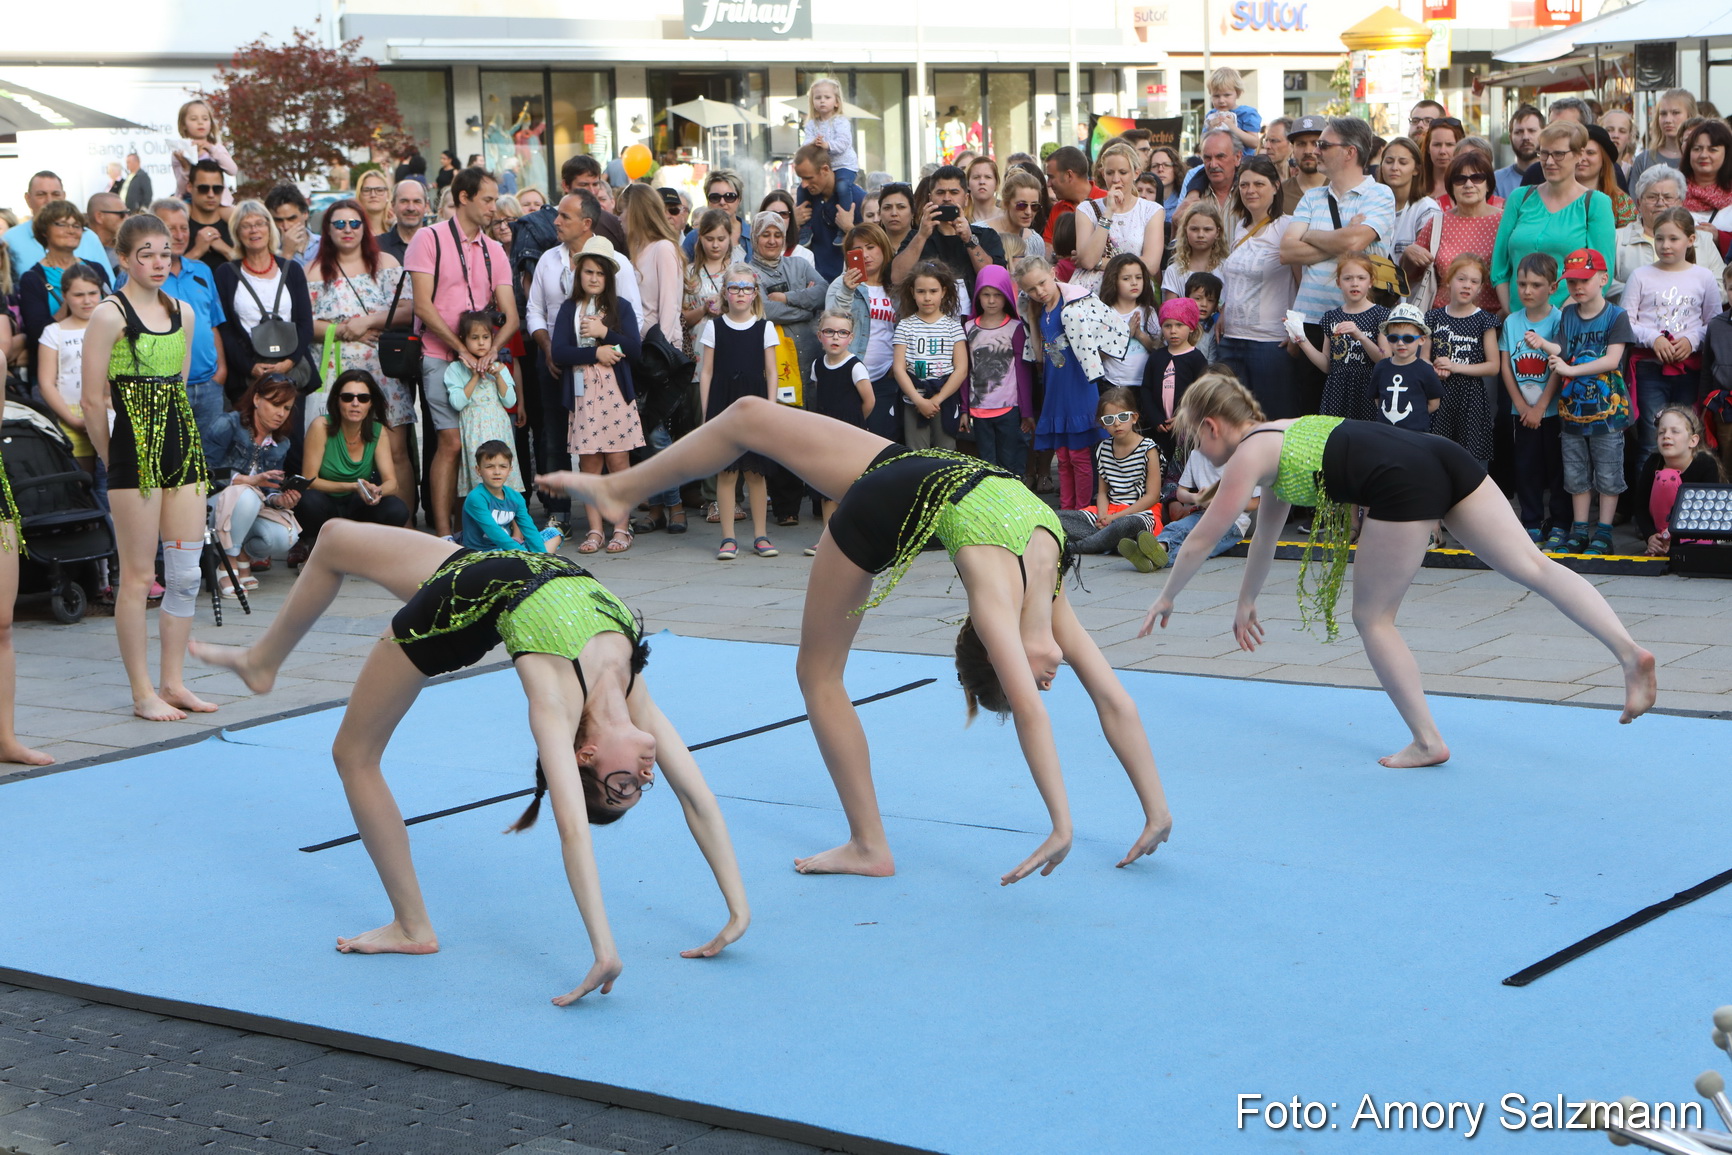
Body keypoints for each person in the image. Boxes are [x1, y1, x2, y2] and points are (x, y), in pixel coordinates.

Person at [541, 395, 1173, 881]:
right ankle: (619, 488)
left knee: (817, 675)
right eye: (1032, 680)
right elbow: (1109, 702)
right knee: (747, 414)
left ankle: (869, 844)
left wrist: (1070, 822)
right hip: (911, 475)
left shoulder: (1000, 606)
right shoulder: (1045, 583)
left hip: (890, 503)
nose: (1044, 681)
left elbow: (1044, 712)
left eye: (1024, 680)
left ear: (996, 649)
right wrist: (1150, 811)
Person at [191, 520, 749, 1000]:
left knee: (353, 754)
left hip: (455, 611)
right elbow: (697, 798)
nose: (647, 777)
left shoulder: (556, 706)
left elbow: (573, 831)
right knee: (333, 538)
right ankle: (262, 662)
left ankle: (411, 926)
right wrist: (737, 911)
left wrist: (604, 950)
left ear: (589, 754)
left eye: (624, 785)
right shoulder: (633, 694)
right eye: (639, 787)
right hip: (498, 569)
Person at [1138, 374, 1656, 767]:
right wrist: (1246, 599)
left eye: (1195, 440)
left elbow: (1202, 536)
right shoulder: (1281, 437)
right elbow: (1267, 535)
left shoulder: (1250, 453)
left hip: (1402, 481)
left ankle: (1428, 740)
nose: (1200, 453)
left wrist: (1167, 596)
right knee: (1534, 566)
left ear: (1210, 425)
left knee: (1373, 618)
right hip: (1440, 456)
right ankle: (1629, 653)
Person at [81, 213, 215, 723]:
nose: (159, 262)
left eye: (165, 252)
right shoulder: (108, 315)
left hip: (181, 445)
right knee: (138, 576)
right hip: (133, 447)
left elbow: (178, 385)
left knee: (183, 573)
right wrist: (112, 456)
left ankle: (173, 682)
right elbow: (92, 401)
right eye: (147, 254)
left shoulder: (183, 312)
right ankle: (142, 692)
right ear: (124, 259)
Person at [405, 167, 519, 540]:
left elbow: (512, 316)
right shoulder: (429, 238)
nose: (493, 207)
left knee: (478, 444)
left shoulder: (495, 250)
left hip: (482, 359)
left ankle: (474, 528)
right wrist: (460, 351)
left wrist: (491, 353)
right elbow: (422, 306)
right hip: (439, 353)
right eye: (487, 199)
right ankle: (442, 535)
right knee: (450, 442)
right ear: (464, 198)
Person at [1281, 115, 1397, 412]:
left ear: (1350, 151)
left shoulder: (1380, 193)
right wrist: (1344, 238)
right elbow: (1287, 251)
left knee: (1360, 419)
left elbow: (1354, 243)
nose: (1315, 151)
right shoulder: (1311, 197)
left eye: (1323, 144)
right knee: (1309, 418)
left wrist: (1310, 234)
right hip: (1312, 324)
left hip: (1364, 322)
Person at [306, 198, 414, 514]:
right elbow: (302, 322)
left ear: (365, 227)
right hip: (333, 371)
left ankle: (404, 531)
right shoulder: (310, 271)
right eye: (339, 224)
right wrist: (344, 330)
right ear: (327, 230)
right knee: (332, 452)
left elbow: (408, 310)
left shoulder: (388, 263)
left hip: (382, 370)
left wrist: (368, 321)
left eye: (354, 223)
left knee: (396, 452)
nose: (348, 229)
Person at [1531, 249, 1634, 557]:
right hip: (1573, 413)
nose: (1577, 287)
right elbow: (1562, 350)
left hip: (1609, 413)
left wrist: (1571, 370)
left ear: (1603, 279)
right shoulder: (1568, 315)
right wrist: (1543, 344)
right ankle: (1579, 530)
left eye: (1584, 280)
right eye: (1572, 281)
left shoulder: (1617, 315)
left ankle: (1603, 532)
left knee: (1608, 471)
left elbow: (1612, 360)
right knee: (1575, 472)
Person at [551, 249, 644, 557]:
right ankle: (594, 529)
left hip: (616, 394)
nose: (593, 278)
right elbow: (559, 353)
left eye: (600, 273)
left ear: (609, 278)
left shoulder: (622, 308)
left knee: (618, 461)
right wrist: (595, 353)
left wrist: (605, 334)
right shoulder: (569, 309)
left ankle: (620, 526)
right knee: (589, 463)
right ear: (579, 275)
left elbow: (634, 349)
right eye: (588, 272)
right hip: (583, 394)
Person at [1019, 257, 1125, 510]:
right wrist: (1032, 319)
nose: (1039, 292)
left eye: (1042, 283)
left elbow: (1107, 331)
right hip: (1056, 387)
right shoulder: (1040, 311)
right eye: (1031, 289)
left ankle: (1082, 511)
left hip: (1078, 385)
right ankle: (1067, 510)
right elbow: (1043, 353)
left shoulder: (1075, 304)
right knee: (1064, 456)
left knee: (1078, 456)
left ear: (1053, 273)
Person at [695, 263, 778, 560]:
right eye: (734, 288)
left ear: (755, 293)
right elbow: (706, 372)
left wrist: (771, 409)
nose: (741, 293)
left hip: (755, 406)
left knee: (756, 473)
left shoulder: (764, 327)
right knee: (727, 473)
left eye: (746, 288)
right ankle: (728, 537)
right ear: (725, 293)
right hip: (724, 404)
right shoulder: (713, 327)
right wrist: (707, 413)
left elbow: (771, 371)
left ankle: (760, 536)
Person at [1622, 208, 1719, 459]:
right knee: (1651, 439)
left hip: (1691, 370)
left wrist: (1692, 339)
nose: (1665, 245)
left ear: (1691, 239)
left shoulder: (1704, 277)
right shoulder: (1641, 276)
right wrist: (1653, 338)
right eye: (1659, 238)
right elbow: (1625, 321)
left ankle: (1683, 494)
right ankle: (1650, 496)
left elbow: (1715, 323)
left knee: (1687, 437)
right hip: (1649, 370)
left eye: (1673, 239)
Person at [214, 200, 317, 432]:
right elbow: (225, 329)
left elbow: (305, 325)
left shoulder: (291, 270)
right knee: (249, 441)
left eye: (260, 224)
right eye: (246, 225)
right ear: (237, 232)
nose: (254, 230)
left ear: (269, 228)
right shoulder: (225, 273)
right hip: (248, 376)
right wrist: (250, 367)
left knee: (293, 445)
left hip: (290, 372)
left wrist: (288, 363)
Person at [1491, 122, 1616, 312]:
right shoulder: (1519, 198)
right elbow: (1500, 264)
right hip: (1518, 321)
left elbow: (1601, 271)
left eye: (1558, 154)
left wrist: (1560, 318)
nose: (1549, 161)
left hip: (1569, 321)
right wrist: (1511, 311)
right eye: (1543, 153)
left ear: (1579, 155)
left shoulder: (1596, 203)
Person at [204, 375, 301, 594]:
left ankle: (242, 553)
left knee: (286, 536)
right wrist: (247, 480)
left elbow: (266, 491)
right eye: (275, 404)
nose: (281, 414)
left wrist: (280, 499)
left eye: (287, 408)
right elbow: (203, 471)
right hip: (211, 505)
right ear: (257, 399)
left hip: (248, 509)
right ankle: (227, 563)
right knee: (245, 494)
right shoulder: (228, 423)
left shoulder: (281, 443)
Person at [146, 199, 231, 446]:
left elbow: (212, 323)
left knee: (210, 463)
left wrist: (221, 372)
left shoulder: (202, 270)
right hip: (165, 388)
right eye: (171, 229)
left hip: (209, 386)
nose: (180, 235)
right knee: (169, 461)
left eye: (184, 228)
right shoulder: (140, 275)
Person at [1501, 253, 1571, 547]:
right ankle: (1530, 521)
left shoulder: (1560, 320)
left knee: (1558, 468)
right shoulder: (1512, 322)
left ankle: (1560, 522)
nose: (1527, 291)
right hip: (1523, 411)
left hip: (1552, 410)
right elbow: (1506, 365)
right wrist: (1520, 405)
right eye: (1522, 284)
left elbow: (1558, 363)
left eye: (1536, 284)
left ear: (1553, 287)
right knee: (1526, 467)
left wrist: (1542, 406)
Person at [1217, 157, 1295, 420]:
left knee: (1269, 418)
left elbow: (1302, 278)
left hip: (1269, 342)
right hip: (1232, 339)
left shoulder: (1287, 226)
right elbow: (1235, 277)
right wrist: (1224, 310)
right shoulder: (1240, 226)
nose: (1250, 190)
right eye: (1244, 184)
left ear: (1275, 186)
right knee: (1234, 419)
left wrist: (1297, 328)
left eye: (1259, 184)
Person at [296, 370, 411, 545]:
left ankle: (363, 547)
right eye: (348, 397)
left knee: (397, 509)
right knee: (308, 501)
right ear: (337, 400)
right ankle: (314, 546)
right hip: (326, 502)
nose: (355, 403)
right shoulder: (321, 426)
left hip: (359, 503)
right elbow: (309, 480)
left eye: (363, 398)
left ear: (371, 403)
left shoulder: (377, 431)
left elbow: (391, 483)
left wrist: (376, 492)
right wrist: (353, 486)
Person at [1054, 388, 1162, 563]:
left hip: (1140, 513)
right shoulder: (1103, 448)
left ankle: (1078, 547)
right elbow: (1103, 492)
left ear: (1134, 417)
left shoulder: (1148, 448)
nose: (1117, 424)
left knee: (1127, 525)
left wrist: (1114, 518)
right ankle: (1111, 542)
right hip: (1109, 510)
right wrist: (1103, 515)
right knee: (1057, 517)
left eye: (1123, 417)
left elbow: (1152, 496)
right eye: (1109, 420)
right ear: (1102, 424)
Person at [824, 222, 901, 440]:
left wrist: (897, 366)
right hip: (849, 377)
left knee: (881, 440)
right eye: (858, 250)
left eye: (871, 247)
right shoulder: (840, 284)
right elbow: (832, 328)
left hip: (885, 377)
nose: (865, 255)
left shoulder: (896, 286)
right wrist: (847, 291)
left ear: (883, 249)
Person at [890, 165, 1004, 308]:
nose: (947, 198)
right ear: (930, 198)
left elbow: (994, 279)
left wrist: (969, 239)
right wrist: (922, 235)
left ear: (966, 198)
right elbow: (897, 278)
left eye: (954, 192)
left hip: (974, 324)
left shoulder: (986, 236)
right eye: (940, 192)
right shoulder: (916, 237)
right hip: (927, 324)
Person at [1424, 253, 1500, 464]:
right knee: (1437, 453)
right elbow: (1423, 359)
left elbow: (1493, 366)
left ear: (1481, 287)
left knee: (1472, 458)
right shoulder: (1433, 317)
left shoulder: (1485, 320)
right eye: (1461, 279)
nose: (1467, 285)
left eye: (1474, 281)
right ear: (1448, 281)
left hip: (1471, 397)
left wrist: (1455, 367)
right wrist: (1434, 369)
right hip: (1438, 395)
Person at [1295, 253, 1388, 422]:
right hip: (1337, 392)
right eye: (1348, 278)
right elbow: (1328, 366)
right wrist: (1302, 340)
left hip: (1368, 390)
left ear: (1371, 281)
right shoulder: (1331, 317)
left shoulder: (1381, 315)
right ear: (1338, 283)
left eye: (1361, 278)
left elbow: (1384, 358)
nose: (1355, 283)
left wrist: (1360, 336)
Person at [1407, 150, 1503, 314]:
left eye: (1477, 178)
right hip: (1443, 322)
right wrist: (1409, 253)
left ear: (1488, 184)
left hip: (1494, 322)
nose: (1468, 184)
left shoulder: (1503, 221)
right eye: (1460, 179)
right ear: (1450, 186)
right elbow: (1411, 275)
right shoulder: (1438, 222)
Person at [1611, 166, 1725, 301]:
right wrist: (1642, 294)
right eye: (1652, 197)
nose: (1660, 203)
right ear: (1639, 203)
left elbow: (1722, 287)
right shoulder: (1617, 239)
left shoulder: (1703, 240)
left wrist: (1679, 297)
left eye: (1668, 197)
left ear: (1681, 202)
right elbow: (1604, 282)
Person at [17, 201, 112, 362]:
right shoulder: (32, 279)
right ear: (44, 230)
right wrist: (70, 306)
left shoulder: (96, 269)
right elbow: (36, 335)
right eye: (62, 224)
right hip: (57, 368)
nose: (71, 231)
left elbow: (113, 311)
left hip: (103, 360)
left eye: (76, 226)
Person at [961, 265, 1031, 480]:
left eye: (997, 295)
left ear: (1006, 295)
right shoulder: (968, 328)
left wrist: (1027, 411)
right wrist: (964, 409)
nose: (991, 300)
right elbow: (964, 371)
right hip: (979, 409)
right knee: (985, 466)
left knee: (1011, 463)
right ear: (978, 296)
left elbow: (1023, 372)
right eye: (986, 294)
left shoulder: (1016, 328)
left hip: (1009, 408)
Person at [35, 263, 105, 473]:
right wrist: (73, 420)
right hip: (70, 416)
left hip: (109, 414)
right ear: (65, 295)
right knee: (82, 482)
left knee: (112, 481)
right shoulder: (53, 332)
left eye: (93, 293)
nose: (87, 300)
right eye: (78, 294)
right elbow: (46, 383)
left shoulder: (114, 327)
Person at [893, 261, 968, 452]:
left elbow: (961, 369)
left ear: (943, 292)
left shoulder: (953, 327)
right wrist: (919, 401)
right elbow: (899, 368)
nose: (927, 297)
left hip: (945, 398)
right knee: (917, 452)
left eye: (933, 291)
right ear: (912, 292)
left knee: (947, 452)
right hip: (914, 399)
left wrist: (937, 400)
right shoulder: (905, 326)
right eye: (921, 291)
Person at [445, 311, 520, 499]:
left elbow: (510, 400)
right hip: (474, 432)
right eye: (475, 338)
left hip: (499, 429)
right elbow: (457, 403)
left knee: (502, 475)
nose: (481, 343)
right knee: (480, 479)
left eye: (485, 337)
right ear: (463, 339)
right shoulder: (455, 369)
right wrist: (475, 376)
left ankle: (508, 520)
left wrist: (498, 376)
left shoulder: (499, 367)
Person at [1631, 405, 1723, 556]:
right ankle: (1661, 545)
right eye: (1661, 432)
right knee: (1665, 476)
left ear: (1693, 441)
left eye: (1675, 431)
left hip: (1695, 531)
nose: (1666, 436)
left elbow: (1707, 510)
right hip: (1662, 532)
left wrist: (1675, 533)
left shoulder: (1705, 464)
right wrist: (1651, 537)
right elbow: (1640, 507)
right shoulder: (1653, 462)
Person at [1072, 142, 1164, 293]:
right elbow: (1088, 261)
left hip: (1134, 295)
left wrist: (1100, 262)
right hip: (1095, 295)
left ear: (1136, 173)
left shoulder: (1151, 210)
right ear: (1103, 174)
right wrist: (1108, 212)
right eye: (1110, 173)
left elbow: (1151, 265)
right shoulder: (1086, 209)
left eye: (1123, 172)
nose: (1116, 179)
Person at [1140, 296, 1209, 466]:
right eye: (1167, 325)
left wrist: (1183, 416)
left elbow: (1202, 395)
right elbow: (1146, 389)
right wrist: (1155, 418)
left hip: (1187, 430)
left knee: (1183, 466)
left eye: (1179, 325)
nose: (1173, 331)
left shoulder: (1196, 358)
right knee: (1159, 465)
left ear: (1191, 327)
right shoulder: (1156, 357)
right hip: (1160, 428)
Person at [4, 171, 111, 277]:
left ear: (64, 196)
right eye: (41, 195)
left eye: (55, 194)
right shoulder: (10, 239)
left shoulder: (88, 237)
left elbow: (108, 285)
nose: (49, 200)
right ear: (28, 199)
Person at [461, 440, 560, 553]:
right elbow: (494, 533)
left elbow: (529, 529)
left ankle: (538, 563)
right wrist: (524, 555)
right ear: (479, 470)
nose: (497, 472)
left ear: (510, 470)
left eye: (503, 466)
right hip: (482, 552)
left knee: (553, 533)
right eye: (490, 467)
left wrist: (542, 556)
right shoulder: (476, 497)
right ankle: (527, 564)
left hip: (509, 548)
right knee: (514, 557)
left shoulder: (515, 497)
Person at [792, 143, 867, 282]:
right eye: (801, 179)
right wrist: (793, 224)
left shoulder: (858, 199)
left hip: (849, 289)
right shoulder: (805, 201)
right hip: (814, 290)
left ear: (825, 169)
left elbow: (875, 247)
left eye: (809, 178)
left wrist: (849, 228)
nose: (804, 185)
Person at [1368, 303, 1442, 432]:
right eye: (1393, 338)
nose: (1400, 343)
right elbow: (1378, 399)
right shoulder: (1381, 367)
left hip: (1415, 434)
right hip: (1385, 432)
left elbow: (1434, 403)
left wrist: (1413, 418)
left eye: (1408, 338)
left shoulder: (1425, 370)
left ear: (1422, 340)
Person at [1376, 137, 1439, 267]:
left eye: (1403, 163)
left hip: (1411, 286)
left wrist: (1407, 256)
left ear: (1416, 170)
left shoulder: (1426, 209)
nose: (1394, 167)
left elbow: (1428, 262)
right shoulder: (1372, 205)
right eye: (1388, 161)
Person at [1682, 120, 1732, 255]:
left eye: (1712, 149)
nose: (1703, 155)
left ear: (1727, 154)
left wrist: (1719, 238)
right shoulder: (1673, 190)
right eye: (1697, 149)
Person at [1628, 89, 1697, 186]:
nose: (1668, 120)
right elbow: (1633, 199)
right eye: (1663, 114)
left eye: (1675, 113)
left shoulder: (1700, 158)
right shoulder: (1644, 160)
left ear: (1690, 116)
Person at [170, 99, 235, 201]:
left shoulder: (216, 148)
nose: (200, 123)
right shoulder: (179, 152)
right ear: (183, 125)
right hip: (190, 203)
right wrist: (185, 167)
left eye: (205, 119)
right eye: (193, 119)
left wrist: (211, 149)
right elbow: (182, 188)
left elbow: (232, 170)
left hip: (218, 202)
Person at [1161, 202, 1226, 302]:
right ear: (1185, 230)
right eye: (1194, 229)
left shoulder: (1226, 268)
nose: (1200, 234)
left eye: (1207, 229)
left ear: (1217, 232)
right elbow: (1169, 311)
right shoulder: (1174, 271)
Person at [1043, 147, 1104, 248]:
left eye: (1051, 177)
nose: (1048, 184)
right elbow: (1047, 248)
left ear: (1069, 175)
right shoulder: (1057, 209)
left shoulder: (1107, 201)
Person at [184, 160, 235, 275]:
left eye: (217, 189)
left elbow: (253, 269)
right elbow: (167, 272)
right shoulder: (180, 228)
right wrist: (197, 251)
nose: (211, 194)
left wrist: (225, 249)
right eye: (203, 188)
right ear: (189, 187)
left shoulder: (234, 226)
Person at [1580, 125, 1636, 227]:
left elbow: (1629, 239)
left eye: (1590, 153)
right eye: (1579, 152)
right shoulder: (1555, 197)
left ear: (1603, 159)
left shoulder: (1622, 202)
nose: (1582, 158)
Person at [1203, 67, 1261, 155]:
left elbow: (1254, 143)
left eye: (1227, 95)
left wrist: (1232, 127)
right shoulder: (1211, 115)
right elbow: (1202, 144)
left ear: (1238, 93)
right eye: (1216, 96)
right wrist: (1210, 128)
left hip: (1243, 164)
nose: (1221, 100)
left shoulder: (1247, 113)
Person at [1178, 131, 1240, 212]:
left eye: (1220, 157)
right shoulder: (1192, 182)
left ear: (1237, 157)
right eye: (1207, 158)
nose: (1213, 165)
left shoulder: (1248, 191)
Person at [266, 185, 321, 269]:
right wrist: (287, 252)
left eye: (291, 219)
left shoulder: (324, 244)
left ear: (305, 214)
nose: (286, 226)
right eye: (279, 220)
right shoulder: (267, 250)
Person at [1497, 105, 1544, 199]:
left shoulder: (1555, 176)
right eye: (1519, 132)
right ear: (1510, 138)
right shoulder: (1497, 180)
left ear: (1544, 134)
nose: (1525, 137)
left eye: (1532, 131)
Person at [377, 180, 428, 265]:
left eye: (416, 201)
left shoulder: (438, 244)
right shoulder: (377, 245)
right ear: (393, 205)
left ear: (426, 206)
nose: (411, 208)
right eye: (404, 201)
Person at [1418, 118, 1464, 204]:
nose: (1442, 151)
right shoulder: (1415, 184)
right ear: (1428, 148)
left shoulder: (1469, 185)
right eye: (1437, 145)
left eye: (1449, 145)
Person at [875, 182, 917, 270]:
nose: (894, 213)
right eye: (887, 208)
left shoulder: (925, 242)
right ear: (880, 213)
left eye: (901, 207)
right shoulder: (871, 245)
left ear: (912, 212)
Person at [86, 192, 126, 270]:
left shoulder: (128, 247)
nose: (127, 218)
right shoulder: (78, 247)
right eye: (122, 214)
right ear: (99, 217)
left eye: (128, 213)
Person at [355, 169, 394, 239]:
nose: (373, 195)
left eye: (379, 190)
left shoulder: (397, 229)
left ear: (388, 195)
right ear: (359, 195)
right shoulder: (353, 231)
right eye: (367, 190)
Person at [1602, 108, 1637, 181]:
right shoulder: (1588, 169)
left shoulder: (1632, 174)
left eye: (1622, 131)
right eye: (1609, 130)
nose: (1615, 135)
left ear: (1630, 137)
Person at [964, 156, 999, 225]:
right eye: (976, 177)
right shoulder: (962, 220)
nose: (982, 182)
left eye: (988, 177)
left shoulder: (1007, 218)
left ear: (996, 184)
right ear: (968, 184)